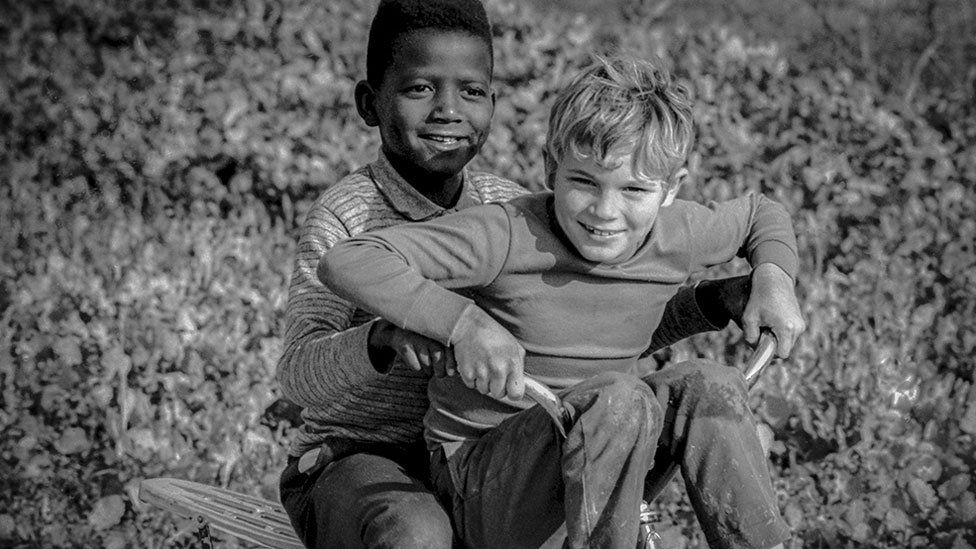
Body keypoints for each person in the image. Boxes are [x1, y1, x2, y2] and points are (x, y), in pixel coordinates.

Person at [319, 53, 805, 549]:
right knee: (619, 397)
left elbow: (758, 215)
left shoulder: (680, 232)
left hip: (609, 459)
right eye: (583, 182)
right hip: (487, 486)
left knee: (710, 383)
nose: (605, 211)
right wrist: (463, 324)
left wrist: (773, 277)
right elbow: (352, 259)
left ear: (669, 190)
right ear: (552, 167)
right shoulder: (506, 234)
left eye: (634, 189)